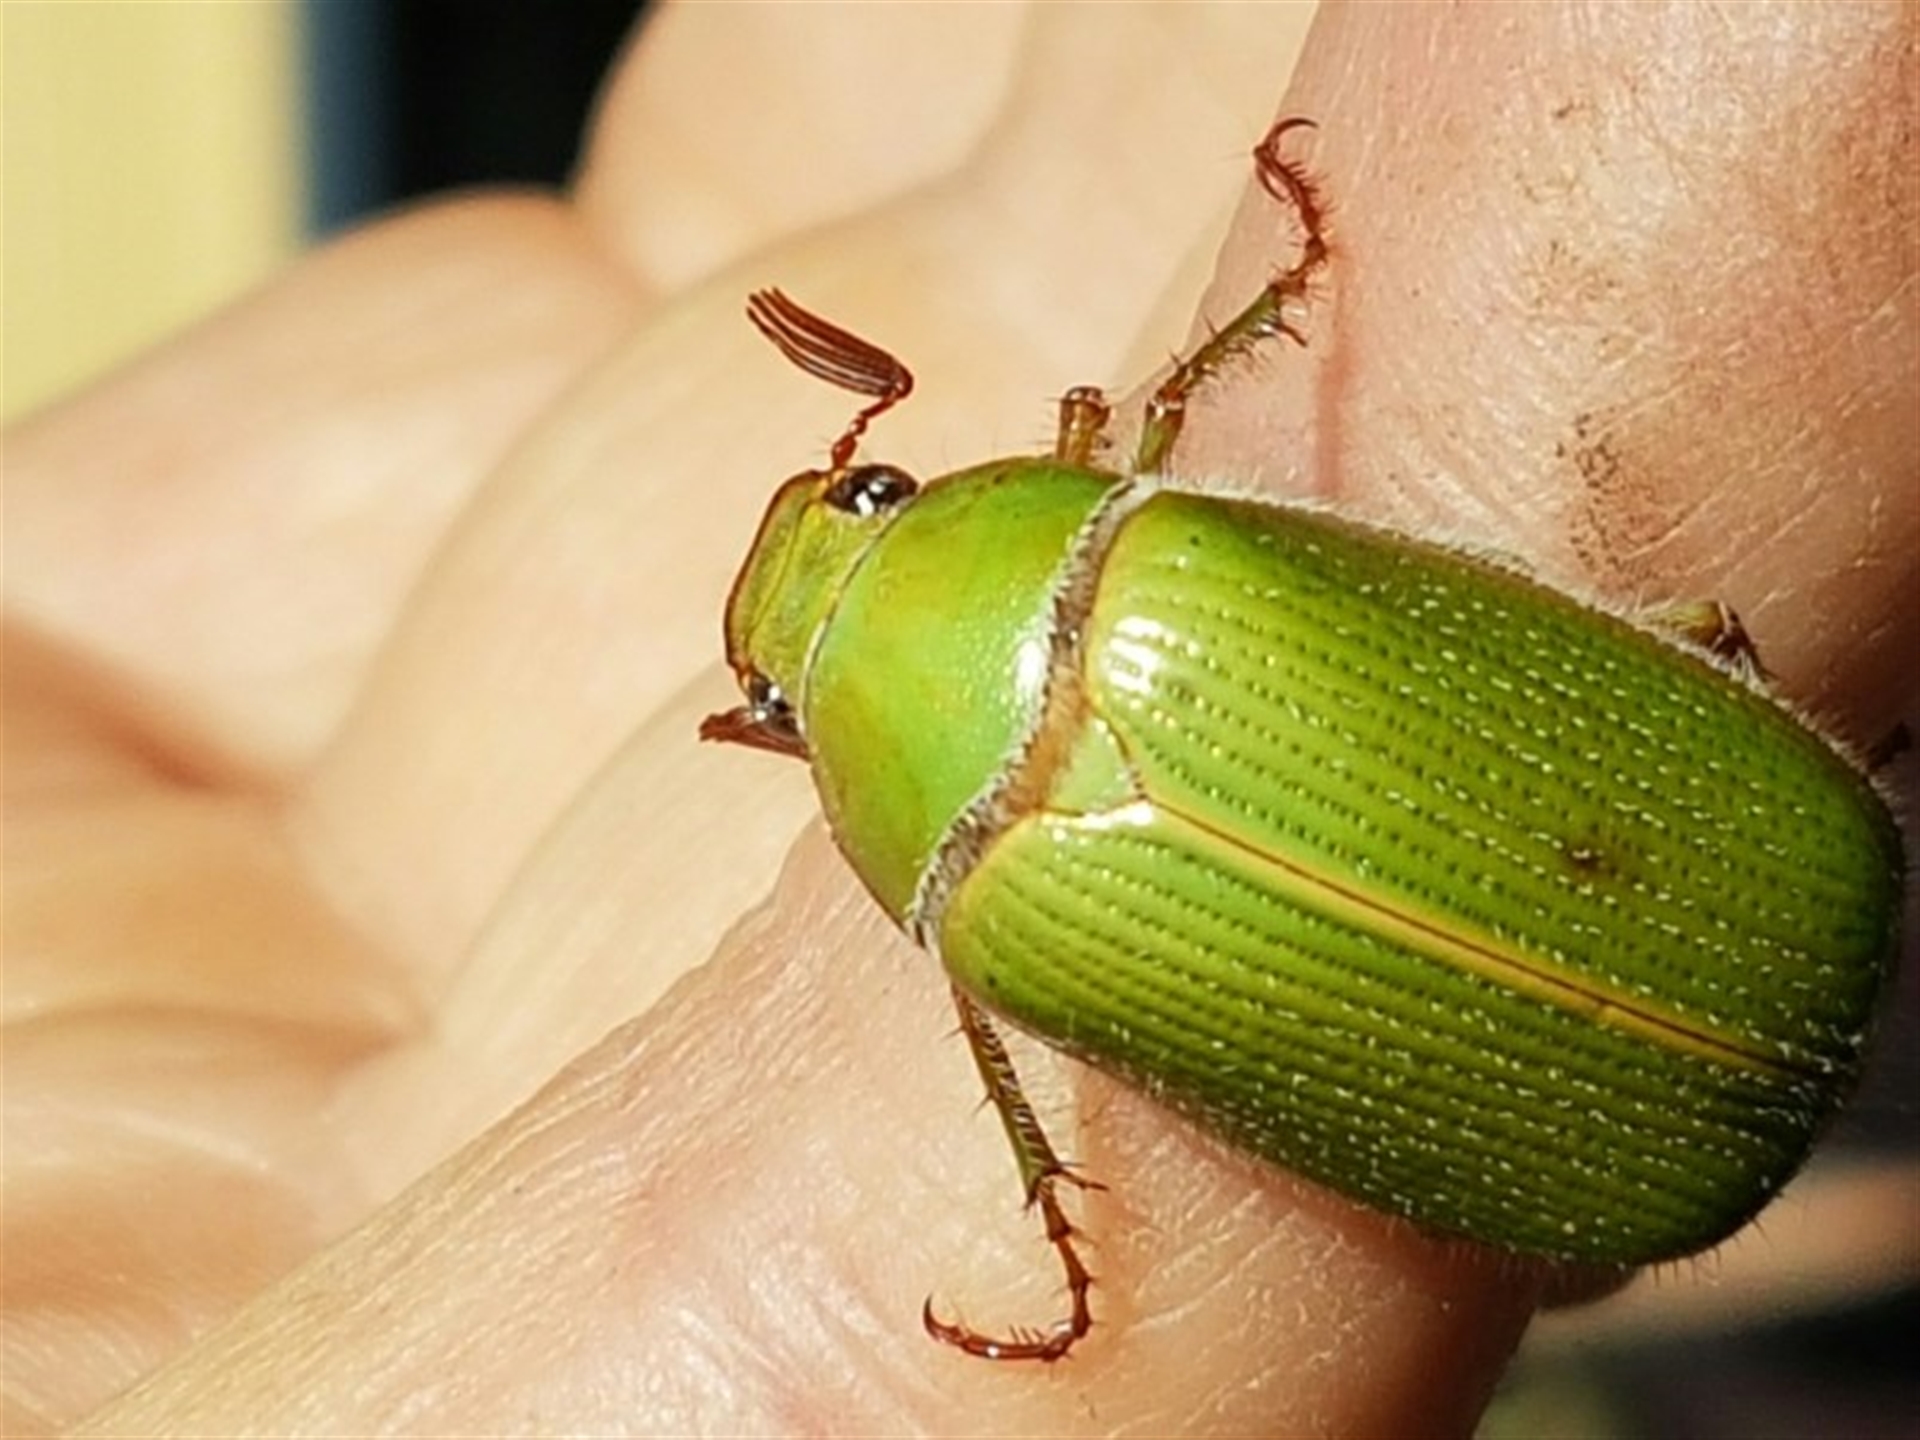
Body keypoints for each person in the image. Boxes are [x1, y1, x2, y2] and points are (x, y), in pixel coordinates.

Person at [8, 4, 1913, 1434]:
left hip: (1617, 1108)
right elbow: (1141, 417)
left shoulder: (988, 919)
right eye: (870, 491)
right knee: (1682, 620)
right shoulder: (1135, 553)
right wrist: (1292, 280)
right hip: (1724, 847)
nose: (861, 500)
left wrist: (1064, 1241)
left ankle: (1087, 1236)